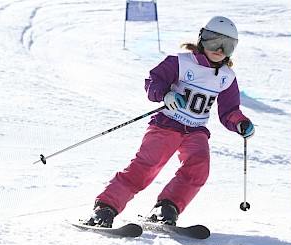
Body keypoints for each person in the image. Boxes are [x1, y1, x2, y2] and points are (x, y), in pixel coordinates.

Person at [84, 16, 255, 228]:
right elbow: (153, 81)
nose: (219, 49)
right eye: (214, 41)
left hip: (196, 130)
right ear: (202, 38)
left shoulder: (227, 77)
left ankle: (167, 207)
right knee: (146, 167)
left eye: (227, 45)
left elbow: (229, 110)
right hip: (167, 124)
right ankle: (105, 208)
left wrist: (240, 122)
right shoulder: (181, 62)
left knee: (199, 166)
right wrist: (166, 95)